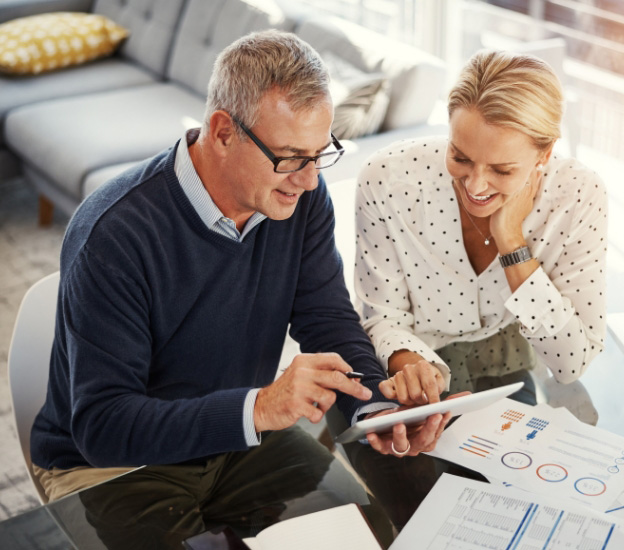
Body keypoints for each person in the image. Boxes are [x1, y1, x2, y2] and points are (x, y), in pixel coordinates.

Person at [29, 29, 450, 525]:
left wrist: (377, 406)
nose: (311, 179)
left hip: (238, 441)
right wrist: (259, 409)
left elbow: (328, 318)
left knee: (370, 531)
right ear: (223, 131)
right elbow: (102, 426)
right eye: (291, 158)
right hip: (114, 463)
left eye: (320, 154)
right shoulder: (115, 233)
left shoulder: (300, 197)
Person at [354, 49, 608, 405]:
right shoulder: (387, 180)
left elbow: (571, 362)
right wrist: (411, 368)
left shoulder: (578, 196)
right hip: (406, 360)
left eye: (502, 170)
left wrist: (512, 243)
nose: (474, 186)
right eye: (460, 157)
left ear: (545, 154)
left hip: (506, 360)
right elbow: (382, 316)